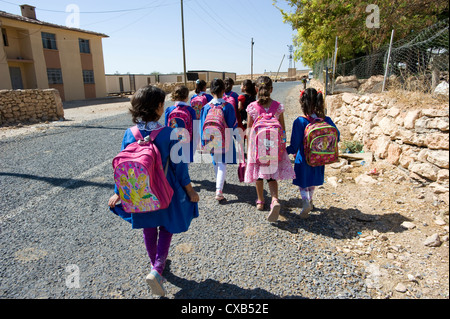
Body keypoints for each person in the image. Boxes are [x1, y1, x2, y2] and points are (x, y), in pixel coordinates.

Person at [108, 85, 200, 297]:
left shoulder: (129, 133)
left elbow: (123, 165)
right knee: (166, 228)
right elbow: (180, 167)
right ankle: (157, 269)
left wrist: (119, 192)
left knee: (149, 228)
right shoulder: (170, 133)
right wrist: (190, 191)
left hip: (141, 193)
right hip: (166, 191)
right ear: (159, 107)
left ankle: (155, 266)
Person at [244, 76, 295, 222]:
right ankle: (275, 200)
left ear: (256, 89)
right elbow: (283, 130)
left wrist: (249, 150)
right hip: (274, 148)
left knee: (259, 176)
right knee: (272, 175)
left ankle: (260, 201)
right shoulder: (278, 106)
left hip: (258, 148)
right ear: (271, 89)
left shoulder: (252, 107)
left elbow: (249, 130)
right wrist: (282, 147)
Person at [286, 88, 340, 219]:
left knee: (302, 183)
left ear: (302, 103)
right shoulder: (326, 120)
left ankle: (305, 202)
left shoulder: (300, 121)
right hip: (319, 159)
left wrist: (283, 152)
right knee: (311, 183)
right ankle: (311, 201)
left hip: (303, 159)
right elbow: (336, 136)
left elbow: (294, 146)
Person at [199, 78, 240, 202]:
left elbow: (202, 126)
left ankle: (219, 184)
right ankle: (219, 191)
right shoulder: (227, 106)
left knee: (216, 161)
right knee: (223, 163)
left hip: (210, 137)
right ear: (223, 90)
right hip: (224, 137)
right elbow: (232, 124)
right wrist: (238, 138)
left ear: (211, 91)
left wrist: (203, 142)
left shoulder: (206, 107)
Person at [165, 85, 198, 164]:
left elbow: (166, 127)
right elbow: (195, 129)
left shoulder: (169, 110)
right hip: (187, 143)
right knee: (185, 167)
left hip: (172, 143)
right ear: (187, 97)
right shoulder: (191, 110)